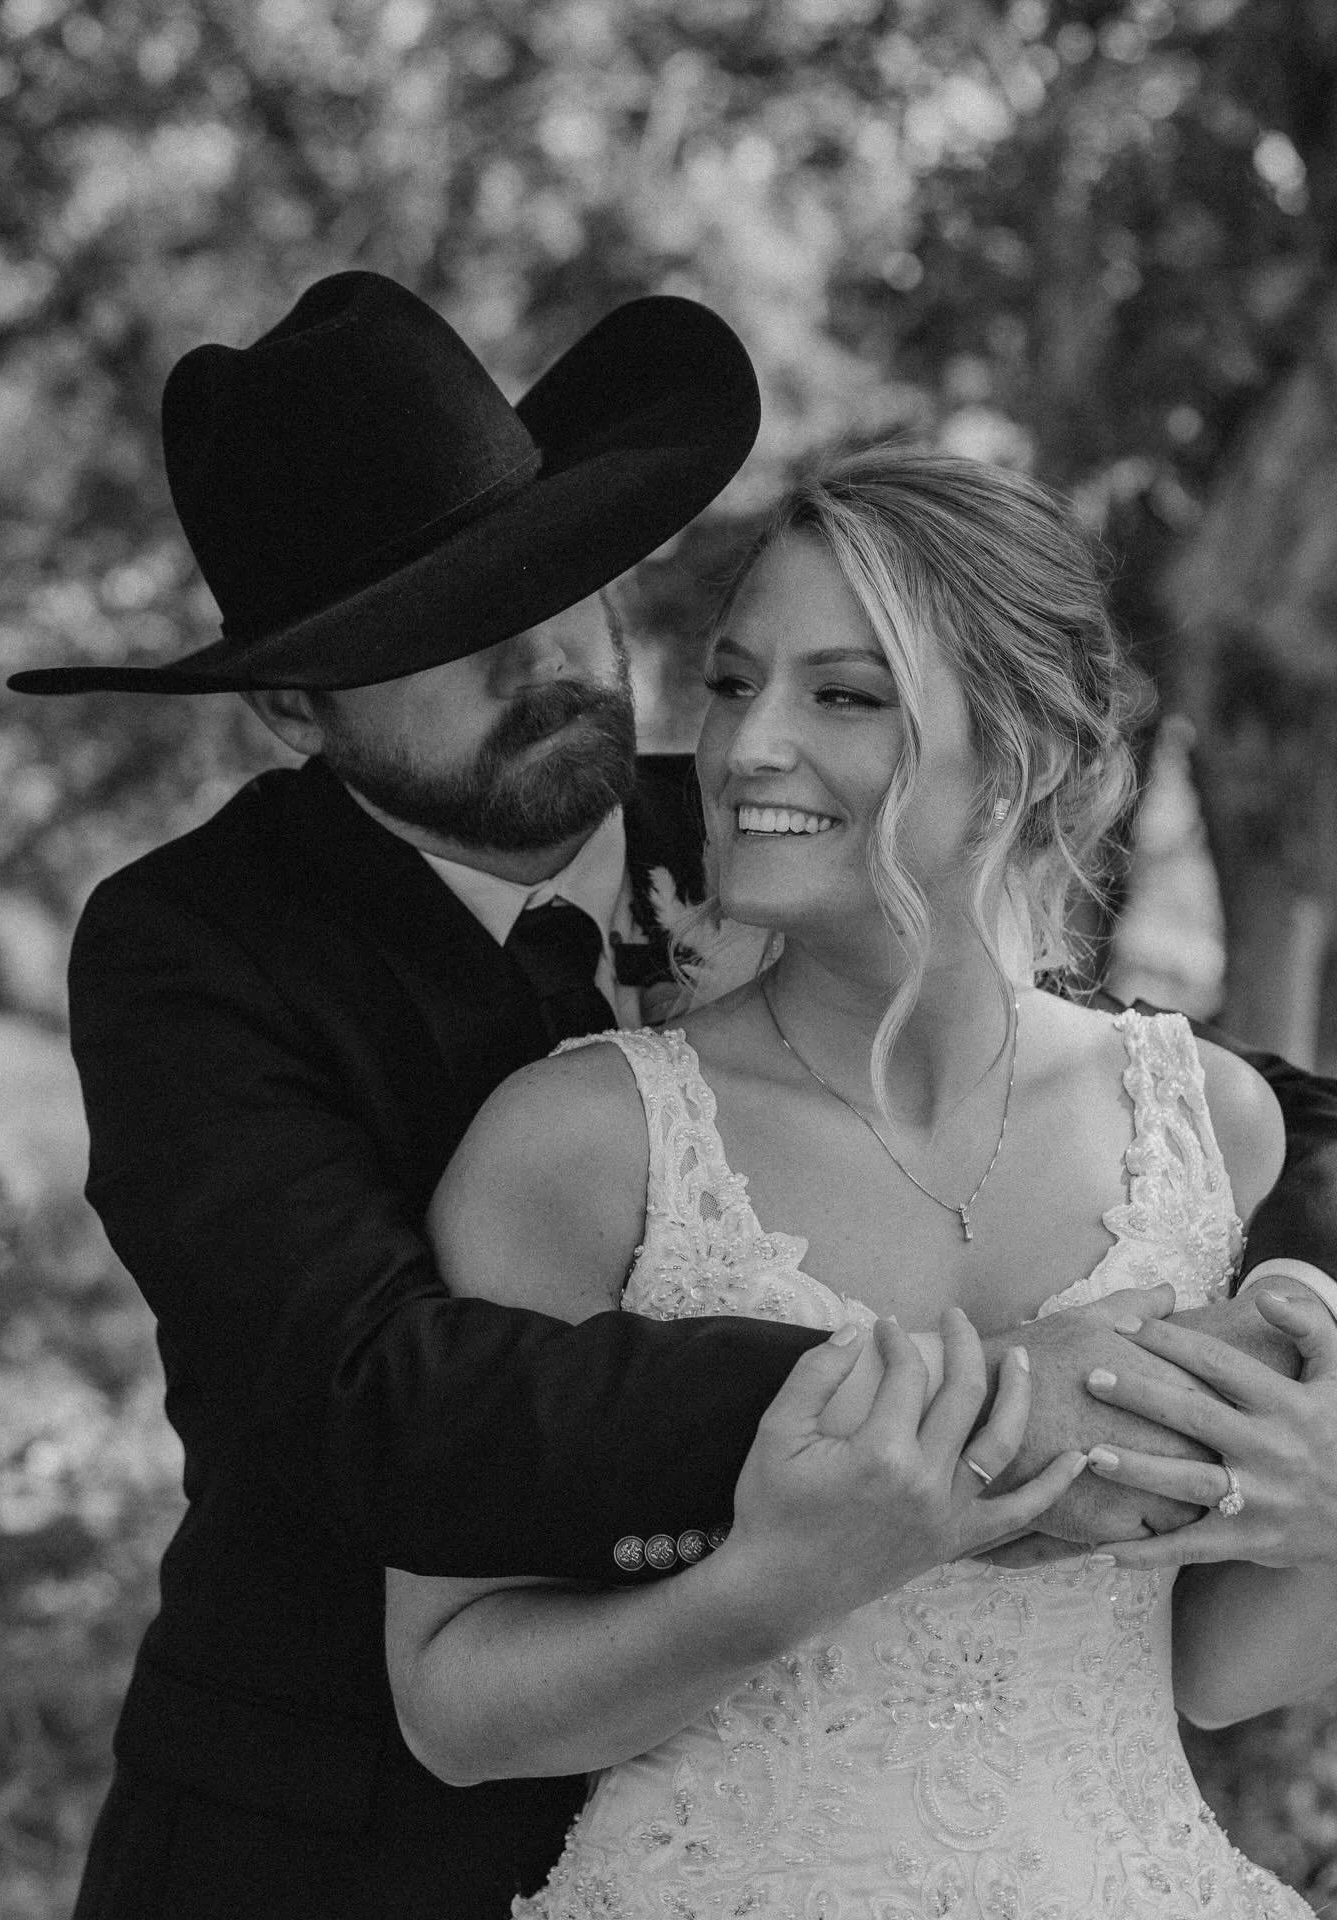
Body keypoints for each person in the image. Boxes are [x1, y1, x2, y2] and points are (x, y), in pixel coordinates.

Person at [8, 278, 1337, 1917]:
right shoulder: (196, 951)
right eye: (443, 631)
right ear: (294, 709)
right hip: (341, 1835)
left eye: (559, 586)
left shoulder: (756, 832)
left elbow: (1035, 1036)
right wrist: (982, 1411)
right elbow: (374, 1391)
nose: (547, 657)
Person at [385, 446, 1337, 1915]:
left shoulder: (1208, 1123)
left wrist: (1331, 1514)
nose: (747, 746)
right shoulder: (581, 1150)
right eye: (730, 682)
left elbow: (1209, 1673)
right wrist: (791, 1574)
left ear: (1028, 746)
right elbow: (452, 1706)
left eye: (845, 694)